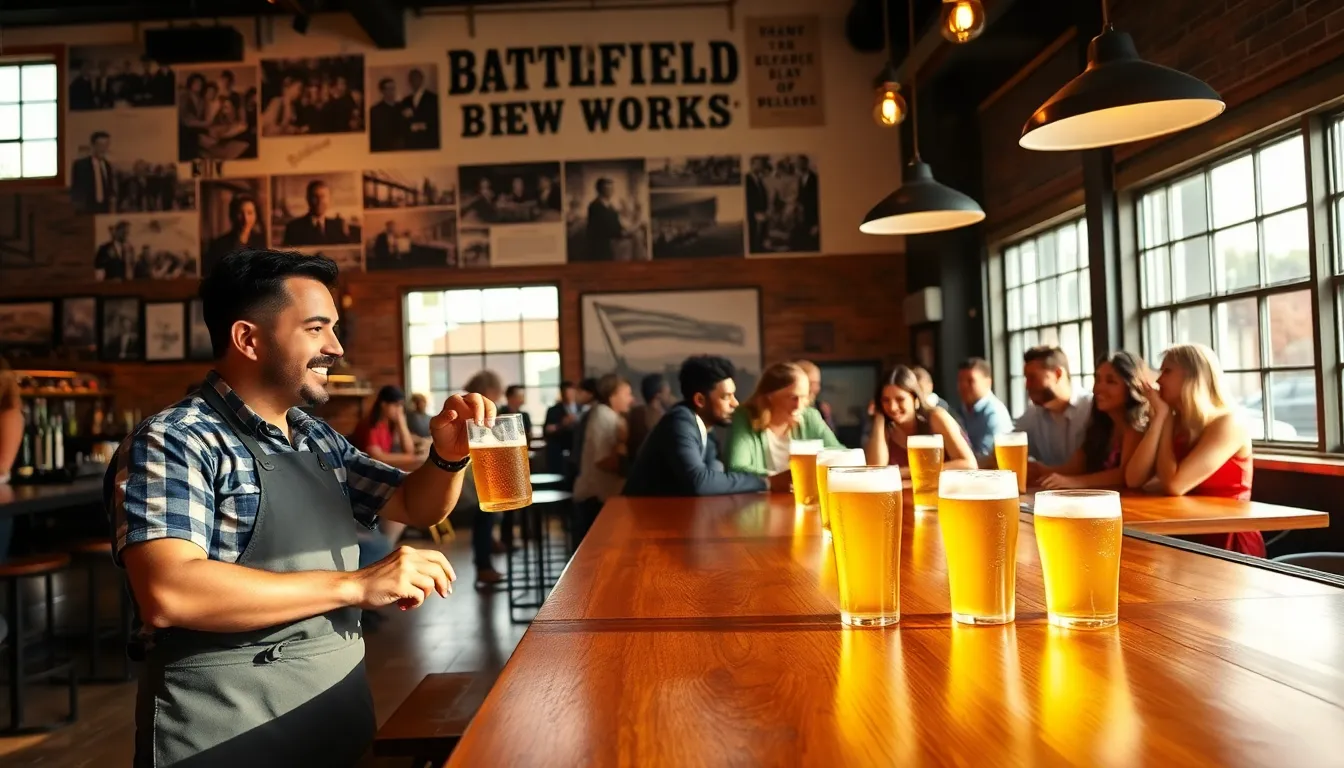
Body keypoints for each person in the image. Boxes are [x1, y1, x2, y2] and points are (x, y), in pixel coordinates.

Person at [106, 248, 484, 766]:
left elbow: (414, 505)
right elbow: (169, 592)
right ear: (248, 339)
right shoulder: (176, 439)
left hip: (333, 710)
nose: (336, 346)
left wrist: (447, 455)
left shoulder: (313, 436)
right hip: (227, 732)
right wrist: (356, 584)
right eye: (316, 328)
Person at [1125, 344, 1265, 557]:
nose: (1158, 380)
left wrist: (1166, 419)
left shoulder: (1229, 423)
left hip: (1228, 541)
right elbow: (1133, 479)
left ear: (1193, 376)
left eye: (1167, 371)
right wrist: (1162, 417)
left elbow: (1174, 485)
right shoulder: (1177, 422)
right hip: (1185, 536)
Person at [626, 356, 791, 497]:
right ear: (700, 400)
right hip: (635, 521)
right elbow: (700, 482)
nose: (735, 403)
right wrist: (767, 482)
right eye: (726, 397)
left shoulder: (704, 426)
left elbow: (715, 471)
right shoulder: (679, 423)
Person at [1038, 352, 1150, 489]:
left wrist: (1074, 482)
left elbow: (1123, 475)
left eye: (1111, 381)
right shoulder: (1101, 424)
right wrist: (1041, 471)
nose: (1099, 388)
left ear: (1131, 387)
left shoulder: (1137, 426)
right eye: (1097, 380)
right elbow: (1076, 466)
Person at [725, 362, 842, 475]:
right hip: (760, 495)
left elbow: (839, 455)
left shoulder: (809, 416)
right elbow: (737, 467)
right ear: (770, 396)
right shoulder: (746, 416)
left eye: (804, 397)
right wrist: (775, 480)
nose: (799, 405)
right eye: (792, 397)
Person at [864, 364, 976, 473]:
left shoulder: (936, 417)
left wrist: (903, 472)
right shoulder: (885, 428)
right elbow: (875, 473)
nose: (893, 407)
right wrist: (879, 417)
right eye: (886, 400)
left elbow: (968, 464)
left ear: (916, 399)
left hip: (946, 490)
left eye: (900, 399)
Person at [1014, 345, 1093, 481]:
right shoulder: (1034, 414)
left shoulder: (1091, 408)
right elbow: (1007, 444)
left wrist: (1041, 471)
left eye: (1032, 378)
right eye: (1026, 378)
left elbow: (1087, 466)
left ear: (1057, 374)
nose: (1027, 386)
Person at [573, 374, 634, 539]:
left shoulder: (610, 416)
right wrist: (622, 446)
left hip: (603, 499)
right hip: (595, 500)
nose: (631, 399)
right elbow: (603, 462)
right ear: (613, 395)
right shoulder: (602, 415)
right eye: (627, 394)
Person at [462, 370, 506, 587]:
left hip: (475, 474)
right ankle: (484, 566)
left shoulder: (468, 408)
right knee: (484, 519)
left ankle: (485, 561)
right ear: (489, 391)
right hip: (476, 476)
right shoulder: (476, 412)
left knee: (484, 521)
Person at [954, 357, 1012, 459]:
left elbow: (987, 458)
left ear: (988, 383)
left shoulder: (995, 414)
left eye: (970, 381)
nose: (963, 386)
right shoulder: (959, 411)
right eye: (960, 381)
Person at [202, 192, 266, 277]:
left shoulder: (261, 242)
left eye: (250, 213)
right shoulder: (219, 244)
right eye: (240, 213)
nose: (246, 219)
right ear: (232, 215)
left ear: (256, 216)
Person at [282, 180, 353, 246]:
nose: (320, 201)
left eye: (323, 196)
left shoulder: (338, 226)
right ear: (308, 199)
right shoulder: (294, 228)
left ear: (329, 199)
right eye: (315, 197)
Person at [626, 373, 673, 460]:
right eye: (668, 393)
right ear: (658, 395)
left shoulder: (635, 414)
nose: (670, 397)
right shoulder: (664, 419)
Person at [71, 131, 117, 214]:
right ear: (93, 145)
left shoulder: (107, 165)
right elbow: (77, 188)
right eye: (100, 145)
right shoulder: (81, 165)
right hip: (87, 209)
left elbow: (109, 187)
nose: (103, 149)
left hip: (104, 209)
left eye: (106, 145)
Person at [543, 381, 579, 474]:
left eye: (572, 392)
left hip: (576, 449)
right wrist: (562, 424)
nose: (569, 395)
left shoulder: (582, 408)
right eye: (566, 392)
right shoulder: (553, 410)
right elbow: (546, 430)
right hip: (559, 449)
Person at [794, 359, 835, 431]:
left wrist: (828, 418)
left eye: (818, 383)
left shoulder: (821, 409)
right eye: (811, 383)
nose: (816, 388)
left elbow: (829, 438)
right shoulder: (791, 411)